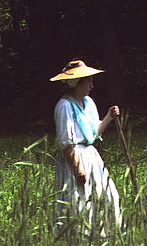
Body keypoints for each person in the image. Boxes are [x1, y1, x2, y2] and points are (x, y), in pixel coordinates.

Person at [51, 59, 123, 235]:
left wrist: (109, 117)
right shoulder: (64, 106)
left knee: (107, 194)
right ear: (76, 83)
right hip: (75, 158)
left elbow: (94, 132)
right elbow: (67, 142)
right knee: (79, 198)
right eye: (88, 81)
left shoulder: (89, 103)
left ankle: (105, 233)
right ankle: (79, 237)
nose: (91, 85)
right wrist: (78, 169)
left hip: (91, 157)